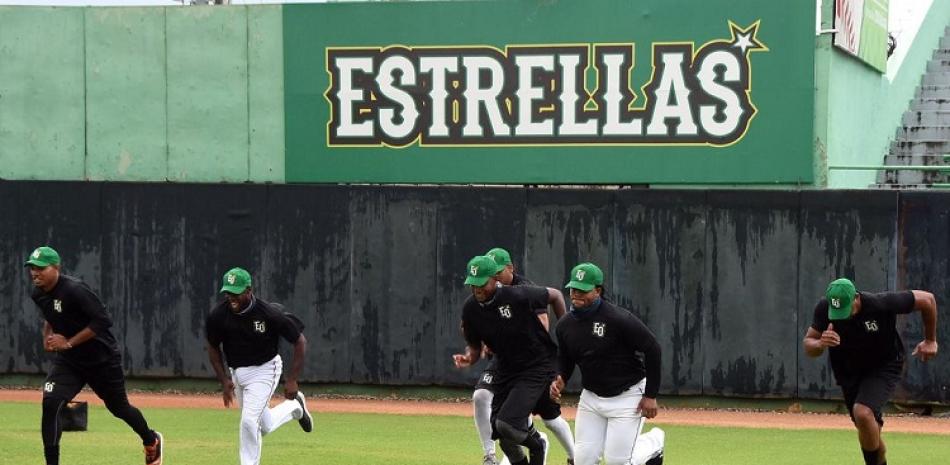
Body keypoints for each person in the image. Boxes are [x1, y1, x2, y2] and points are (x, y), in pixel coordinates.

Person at [25, 246, 164, 465]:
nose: (35, 273)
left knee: (119, 409)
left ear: (56, 268)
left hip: (101, 359)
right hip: (69, 362)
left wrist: (68, 342)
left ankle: (151, 440)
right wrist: (47, 336)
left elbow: (102, 321)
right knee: (51, 403)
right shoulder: (38, 293)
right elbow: (50, 315)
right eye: (32, 268)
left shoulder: (74, 290)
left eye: (41, 268)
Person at [803, 278, 938, 465]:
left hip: (883, 366)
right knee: (868, 430)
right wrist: (820, 343)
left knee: (863, 412)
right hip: (848, 372)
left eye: (845, 309)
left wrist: (930, 340)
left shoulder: (881, 304)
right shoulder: (824, 308)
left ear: (856, 298)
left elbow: (928, 300)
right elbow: (809, 345)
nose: (841, 316)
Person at [454, 255, 568, 465]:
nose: (477, 289)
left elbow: (556, 295)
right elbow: (475, 346)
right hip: (506, 367)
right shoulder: (471, 308)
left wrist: (566, 331)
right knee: (501, 433)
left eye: (481, 284)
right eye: (473, 284)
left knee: (507, 425)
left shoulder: (517, 294)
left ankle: (537, 444)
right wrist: (469, 358)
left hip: (536, 364)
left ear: (494, 280)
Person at [550, 262, 665, 465]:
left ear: (597, 291)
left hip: (628, 397)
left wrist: (651, 395)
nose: (576, 294)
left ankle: (653, 444)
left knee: (617, 463)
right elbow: (565, 358)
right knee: (582, 461)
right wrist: (561, 377)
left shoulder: (618, 319)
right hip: (592, 399)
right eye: (573, 289)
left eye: (582, 290)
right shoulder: (565, 325)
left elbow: (653, 348)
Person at [205, 267, 314, 465]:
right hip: (237, 373)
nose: (231, 297)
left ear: (248, 290)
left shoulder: (268, 313)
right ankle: (295, 407)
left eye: (236, 292)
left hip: (265, 369)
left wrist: (292, 380)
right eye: (228, 292)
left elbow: (300, 341)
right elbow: (212, 347)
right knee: (263, 425)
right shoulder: (219, 315)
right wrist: (224, 380)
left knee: (248, 421)